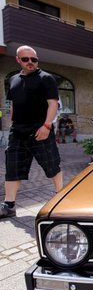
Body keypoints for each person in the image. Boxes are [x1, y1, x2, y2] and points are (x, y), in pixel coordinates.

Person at [1, 45, 63, 218]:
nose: (30, 62)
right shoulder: (13, 80)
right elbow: (12, 104)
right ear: (18, 59)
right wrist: (12, 121)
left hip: (40, 130)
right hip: (17, 132)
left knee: (52, 165)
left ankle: (60, 197)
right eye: (26, 59)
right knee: (12, 167)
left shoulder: (46, 78)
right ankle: (9, 206)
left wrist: (47, 126)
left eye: (33, 59)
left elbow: (53, 104)